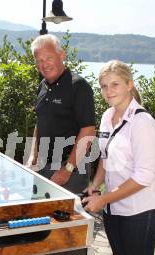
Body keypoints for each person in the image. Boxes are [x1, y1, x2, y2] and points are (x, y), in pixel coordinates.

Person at [82, 60, 155, 255]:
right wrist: (95, 185)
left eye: (115, 84)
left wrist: (104, 198)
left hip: (142, 208)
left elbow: (143, 177)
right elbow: (105, 158)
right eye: (103, 86)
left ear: (130, 85)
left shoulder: (142, 123)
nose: (108, 91)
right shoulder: (108, 117)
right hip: (114, 205)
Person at [26, 34, 96, 193]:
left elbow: (88, 132)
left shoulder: (78, 86)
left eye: (48, 58)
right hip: (43, 168)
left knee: (67, 217)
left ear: (62, 55)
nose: (44, 65)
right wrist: (33, 156)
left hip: (71, 171)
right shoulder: (42, 86)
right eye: (39, 61)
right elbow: (40, 122)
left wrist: (67, 169)